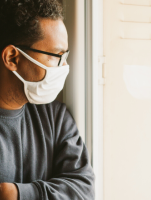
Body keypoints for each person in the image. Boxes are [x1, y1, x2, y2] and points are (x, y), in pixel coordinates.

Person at [0, 0, 95, 199]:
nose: (64, 67)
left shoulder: (55, 116)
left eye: (65, 56)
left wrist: (18, 194)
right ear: (12, 58)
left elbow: (84, 188)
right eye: (55, 56)